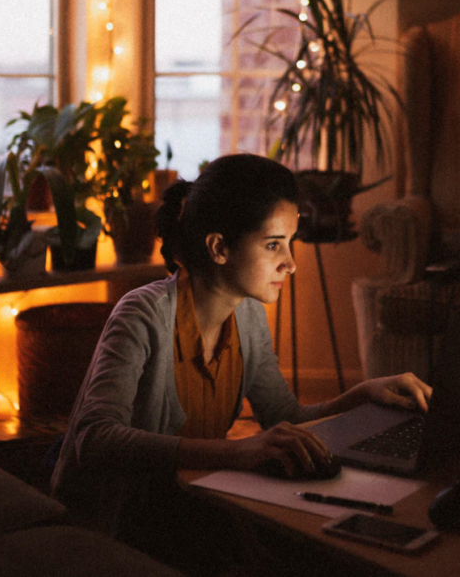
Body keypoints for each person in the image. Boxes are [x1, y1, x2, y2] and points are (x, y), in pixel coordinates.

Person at [50, 154, 431, 573]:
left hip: (182, 505)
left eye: (290, 243)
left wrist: (363, 394)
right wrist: (235, 452)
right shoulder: (142, 315)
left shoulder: (247, 317)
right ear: (218, 247)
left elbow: (285, 417)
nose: (290, 262)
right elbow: (95, 438)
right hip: (116, 524)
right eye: (273, 245)